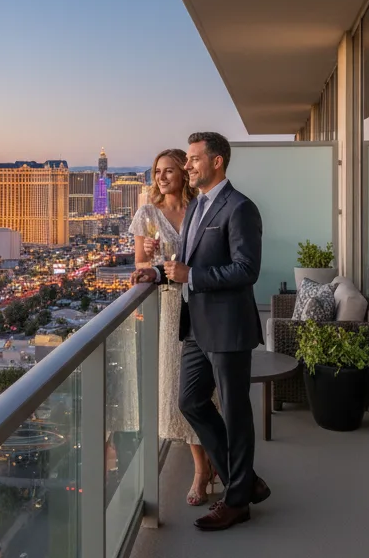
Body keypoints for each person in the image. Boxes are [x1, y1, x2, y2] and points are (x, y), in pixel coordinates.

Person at [131, 131, 270, 531]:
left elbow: (247, 270)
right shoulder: (198, 208)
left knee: (237, 412)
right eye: (187, 160)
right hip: (194, 327)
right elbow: (181, 264)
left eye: (193, 159)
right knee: (190, 402)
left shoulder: (239, 207)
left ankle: (237, 500)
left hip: (227, 327)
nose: (188, 166)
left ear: (217, 162)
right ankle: (242, 481)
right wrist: (156, 273)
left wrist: (192, 275)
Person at [129, 148, 220, 507]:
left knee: (205, 391)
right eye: (157, 171)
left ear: (184, 174)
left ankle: (212, 460)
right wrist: (147, 257)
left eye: (169, 170)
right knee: (178, 393)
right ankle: (202, 468)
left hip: (205, 305)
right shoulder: (147, 214)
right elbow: (139, 266)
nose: (161, 177)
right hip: (170, 311)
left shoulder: (202, 209)